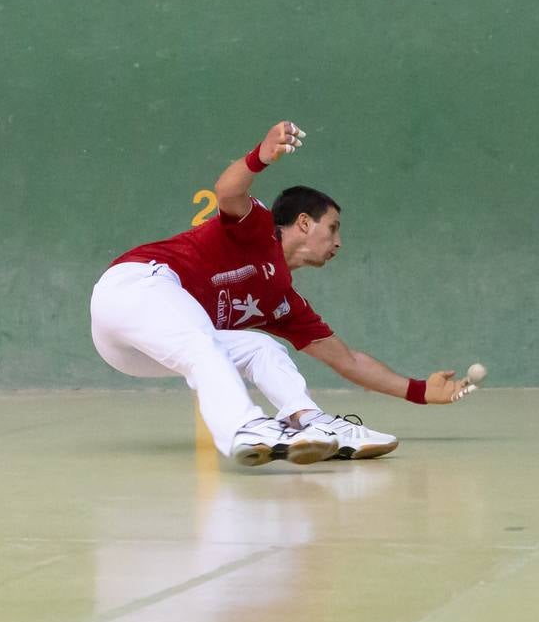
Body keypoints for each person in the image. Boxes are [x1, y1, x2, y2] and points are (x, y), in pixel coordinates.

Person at [90, 121, 474, 466]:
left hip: (137, 356)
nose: (339, 242)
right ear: (304, 223)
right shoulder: (255, 228)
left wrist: (421, 392)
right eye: (333, 228)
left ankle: (310, 422)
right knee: (201, 343)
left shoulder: (282, 303)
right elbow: (226, 190)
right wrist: (261, 156)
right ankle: (245, 429)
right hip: (134, 289)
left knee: (263, 349)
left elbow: (349, 361)